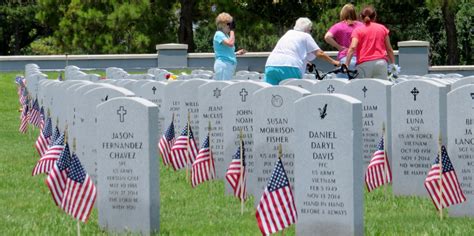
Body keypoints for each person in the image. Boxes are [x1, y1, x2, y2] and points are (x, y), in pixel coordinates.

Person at [264, 17, 340, 85]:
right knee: (292, 95)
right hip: (290, 66)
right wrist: (334, 62)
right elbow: (319, 53)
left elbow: (289, 51)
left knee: (270, 95)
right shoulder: (306, 36)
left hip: (270, 65)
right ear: (307, 29)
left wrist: (307, 62)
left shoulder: (288, 33)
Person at [344, 6, 395, 80]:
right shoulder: (382, 28)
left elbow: (352, 47)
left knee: (363, 90)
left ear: (361, 17)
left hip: (364, 64)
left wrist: (347, 64)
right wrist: (393, 64)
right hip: (381, 63)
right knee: (381, 89)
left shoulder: (357, 31)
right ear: (375, 16)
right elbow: (389, 49)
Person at [324, 3, 363, 79]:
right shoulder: (361, 25)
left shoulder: (338, 26)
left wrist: (339, 47)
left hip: (345, 59)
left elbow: (327, 37)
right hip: (360, 59)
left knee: (343, 87)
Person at [213, 12, 246, 80]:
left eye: (231, 24)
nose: (230, 26)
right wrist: (232, 30)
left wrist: (236, 53)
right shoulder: (218, 34)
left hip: (228, 65)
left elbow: (225, 51)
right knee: (223, 87)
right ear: (222, 24)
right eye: (228, 24)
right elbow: (230, 43)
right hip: (223, 65)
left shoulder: (226, 35)